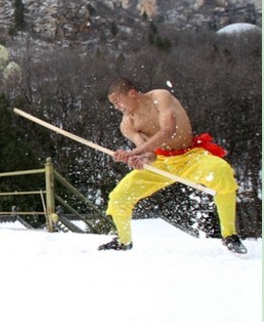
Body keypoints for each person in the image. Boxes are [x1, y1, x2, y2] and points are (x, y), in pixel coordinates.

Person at [100, 77, 246, 254]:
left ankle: (229, 236)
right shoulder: (127, 124)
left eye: (117, 101)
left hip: (191, 156)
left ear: (132, 93)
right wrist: (140, 159)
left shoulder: (160, 97)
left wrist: (134, 153)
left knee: (221, 171)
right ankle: (123, 242)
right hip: (162, 163)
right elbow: (149, 154)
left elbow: (168, 130)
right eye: (113, 104)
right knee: (119, 196)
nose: (117, 107)